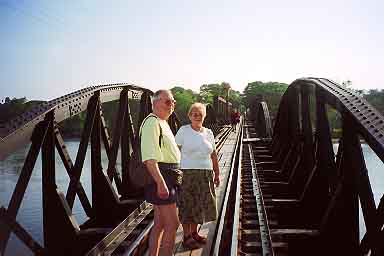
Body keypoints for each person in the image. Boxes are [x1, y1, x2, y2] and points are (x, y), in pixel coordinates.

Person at [141, 90, 181, 256]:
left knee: (159, 223)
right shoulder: (152, 123)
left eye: (173, 102)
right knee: (172, 224)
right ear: (155, 103)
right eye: (167, 101)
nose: (171, 105)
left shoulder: (162, 122)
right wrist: (161, 183)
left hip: (168, 175)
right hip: (162, 176)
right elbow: (150, 159)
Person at [175, 103, 220, 249]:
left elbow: (213, 154)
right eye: (194, 113)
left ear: (204, 116)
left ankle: (194, 233)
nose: (197, 116)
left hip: (205, 174)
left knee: (199, 205)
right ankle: (186, 236)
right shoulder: (183, 131)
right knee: (187, 205)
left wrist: (217, 173)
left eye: (200, 113)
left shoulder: (208, 132)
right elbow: (175, 152)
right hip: (187, 173)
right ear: (189, 116)